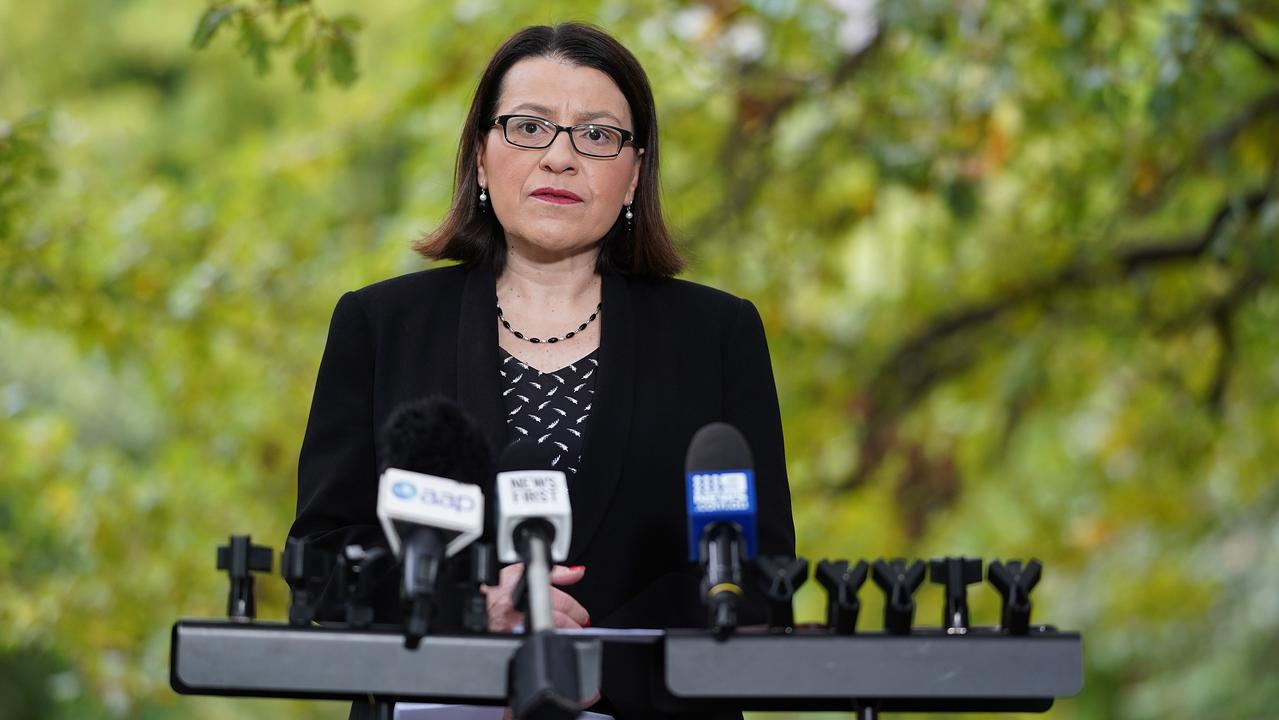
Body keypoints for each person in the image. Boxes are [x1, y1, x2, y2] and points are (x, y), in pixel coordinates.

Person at [290, 22, 795, 719]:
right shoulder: (380, 326)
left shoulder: (715, 334)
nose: (559, 158)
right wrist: (470, 609)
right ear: (479, 155)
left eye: (596, 136)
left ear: (634, 174)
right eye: (529, 127)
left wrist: (595, 662)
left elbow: (759, 573)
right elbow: (322, 565)